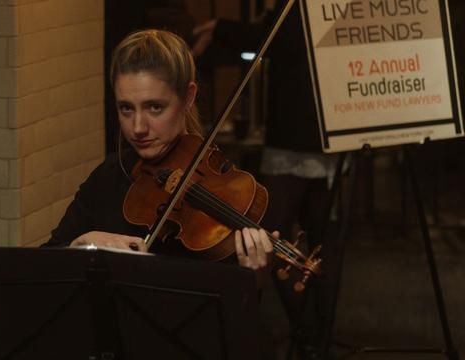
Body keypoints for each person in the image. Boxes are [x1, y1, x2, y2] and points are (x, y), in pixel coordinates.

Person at [44, 29, 278, 274]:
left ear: (188, 97)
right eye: (126, 109)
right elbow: (45, 261)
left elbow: (231, 309)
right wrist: (80, 244)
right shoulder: (109, 176)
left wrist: (252, 279)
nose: (138, 128)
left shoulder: (230, 193)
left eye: (155, 107)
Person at [191, 2, 339, 359]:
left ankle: (308, 336)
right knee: (318, 238)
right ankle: (317, 336)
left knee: (272, 234)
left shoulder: (296, 9)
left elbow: (268, 41)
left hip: (298, 135)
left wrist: (219, 27)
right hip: (319, 128)